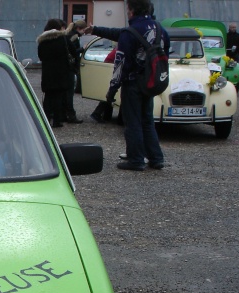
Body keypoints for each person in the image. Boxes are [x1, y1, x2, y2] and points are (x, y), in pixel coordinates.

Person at [87, 0, 168, 171]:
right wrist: (95, 29)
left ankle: (136, 159)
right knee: (147, 121)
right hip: (150, 81)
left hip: (132, 83)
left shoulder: (130, 32)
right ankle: (156, 158)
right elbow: (122, 34)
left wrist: (112, 89)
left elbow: (120, 63)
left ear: (131, 11)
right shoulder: (160, 29)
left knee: (132, 123)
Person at [37, 19, 72, 128]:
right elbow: (70, 53)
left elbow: (41, 56)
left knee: (48, 97)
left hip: (48, 72)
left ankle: (46, 119)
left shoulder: (42, 41)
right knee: (58, 97)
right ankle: (57, 120)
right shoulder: (63, 39)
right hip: (61, 72)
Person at [63, 20, 86, 124]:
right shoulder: (74, 37)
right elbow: (73, 51)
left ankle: (64, 114)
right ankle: (70, 115)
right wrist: (82, 49)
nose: (84, 32)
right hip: (70, 67)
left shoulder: (68, 34)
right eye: (83, 30)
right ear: (79, 29)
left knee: (65, 92)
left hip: (66, 68)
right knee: (69, 93)